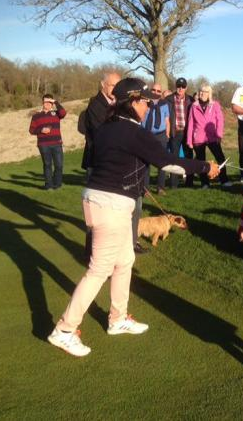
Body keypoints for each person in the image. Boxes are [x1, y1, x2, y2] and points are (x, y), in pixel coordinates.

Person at [48, 78, 219, 357]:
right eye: (145, 102)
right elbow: (167, 162)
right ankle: (65, 330)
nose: (149, 106)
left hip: (101, 199)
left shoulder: (107, 127)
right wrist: (204, 166)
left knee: (125, 259)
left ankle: (117, 319)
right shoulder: (132, 131)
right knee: (99, 269)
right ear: (132, 103)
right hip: (110, 204)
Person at [186, 84, 231, 188]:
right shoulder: (194, 106)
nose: (202, 93)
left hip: (212, 137)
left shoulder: (215, 105)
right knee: (201, 161)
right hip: (198, 138)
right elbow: (191, 123)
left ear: (209, 93)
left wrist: (219, 135)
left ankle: (224, 180)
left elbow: (220, 121)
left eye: (205, 91)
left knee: (220, 158)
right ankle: (204, 183)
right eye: (201, 91)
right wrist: (189, 140)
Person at [78, 71, 119, 180]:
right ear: (103, 84)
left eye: (117, 86)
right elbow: (103, 131)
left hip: (113, 158)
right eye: (112, 85)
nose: (115, 89)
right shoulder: (95, 104)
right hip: (98, 158)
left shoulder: (118, 103)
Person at [28, 94, 67, 190]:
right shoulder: (36, 116)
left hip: (57, 143)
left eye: (50, 102)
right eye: (46, 102)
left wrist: (55, 102)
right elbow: (31, 130)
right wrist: (41, 130)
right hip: (43, 144)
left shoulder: (56, 113)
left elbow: (63, 113)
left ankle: (57, 185)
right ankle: (48, 185)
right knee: (47, 165)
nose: (48, 104)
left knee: (59, 165)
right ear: (42, 103)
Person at [165, 77, 195, 188]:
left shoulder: (191, 100)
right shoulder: (168, 99)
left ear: (186, 88)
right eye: (178, 86)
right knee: (174, 158)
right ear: (176, 87)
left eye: (183, 87)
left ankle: (189, 183)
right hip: (175, 132)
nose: (180, 88)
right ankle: (173, 184)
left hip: (187, 133)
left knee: (188, 158)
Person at [142, 83, 170, 194]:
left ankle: (161, 188)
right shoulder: (145, 102)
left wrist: (167, 133)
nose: (155, 92)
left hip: (161, 135)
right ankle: (145, 189)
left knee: (161, 162)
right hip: (146, 134)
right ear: (150, 90)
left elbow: (167, 120)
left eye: (158, 91)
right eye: (153, 90)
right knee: (146, 162)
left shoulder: (164, 104)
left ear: (161, 93)